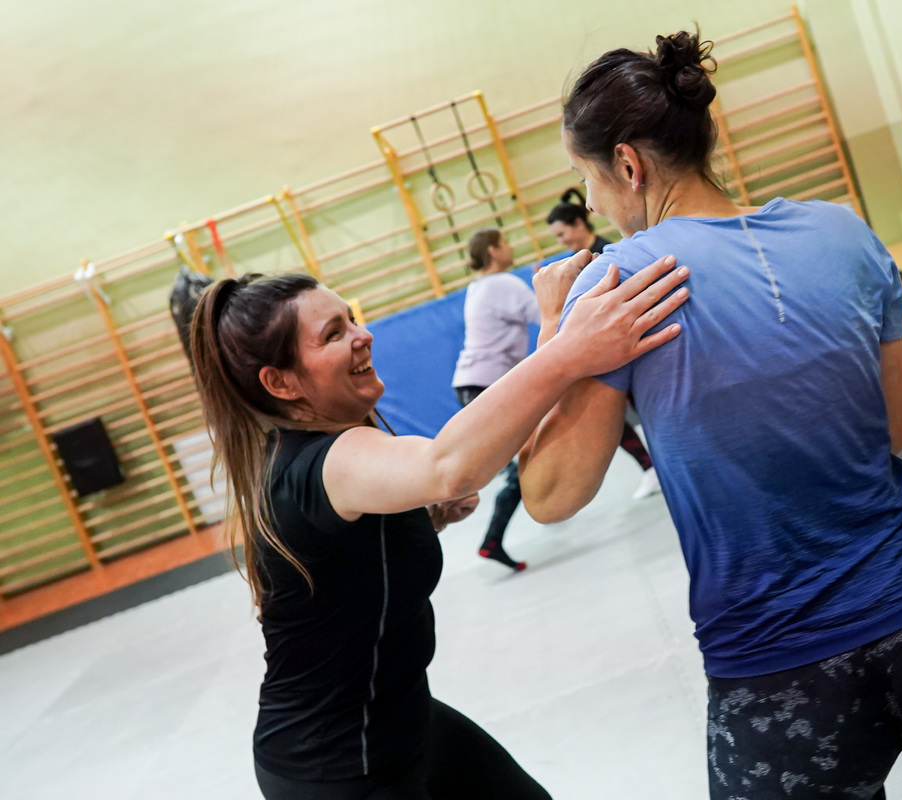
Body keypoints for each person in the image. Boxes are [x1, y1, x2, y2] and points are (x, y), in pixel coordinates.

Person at [519, 30, 902, 800]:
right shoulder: (844, 233)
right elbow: (894, 429)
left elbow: (551, 495)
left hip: (782, 672)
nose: (595, 206)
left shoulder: (618, 286)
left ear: (627, 165)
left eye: (587, 182)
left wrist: (555, 333)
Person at [189, 262, 688, 799]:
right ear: (280, 382)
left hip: (401, 717)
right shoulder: (322, 462)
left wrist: (425, 517)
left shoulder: (333, 456)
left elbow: (349, 563)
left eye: (351, 318)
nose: (362, 335)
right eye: (333, 334)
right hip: (336, 767)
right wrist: (568, 347)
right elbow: (451, 466)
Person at [546, 190, 662, 499]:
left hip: (628, 347)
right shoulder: (577, 263)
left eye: (561, 234)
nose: (560, 241)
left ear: (578, 224)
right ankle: (649, 467)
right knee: (612, 417)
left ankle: (658, 465)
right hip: (605, 354)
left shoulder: (607, 255)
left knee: (648, 410)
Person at [451, 229, 537, 570]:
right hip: (487, 386)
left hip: (473, 385)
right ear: (492, 250)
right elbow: (544, 313)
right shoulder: (504, 284)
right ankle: (492, 541)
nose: (510, 247)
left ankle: (494, 539)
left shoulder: (479, 286)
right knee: (522, 466)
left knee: (524, 461)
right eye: (505, 243)